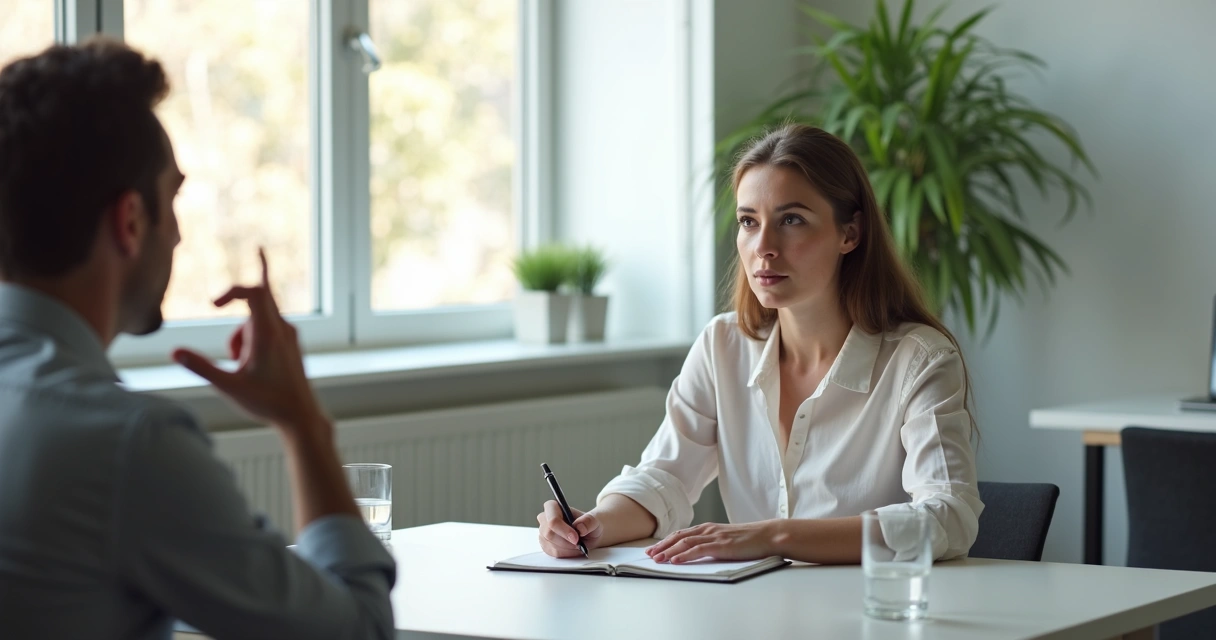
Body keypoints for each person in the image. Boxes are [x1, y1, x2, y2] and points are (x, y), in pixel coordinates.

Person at [0, 40, 394, 639]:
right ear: (130, 221)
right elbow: (359, 632)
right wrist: (303, 422)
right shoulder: (125, 445)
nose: (179, 235)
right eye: (174, 197)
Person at [537, 124, 983, 565]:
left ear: (850, 234)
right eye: (749, 221)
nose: (763, 246)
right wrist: (594, 525)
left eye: (792, 220)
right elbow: (664, 478)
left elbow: (948, 517)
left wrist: (775, 535)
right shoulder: (723, 344)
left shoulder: (919, 359)